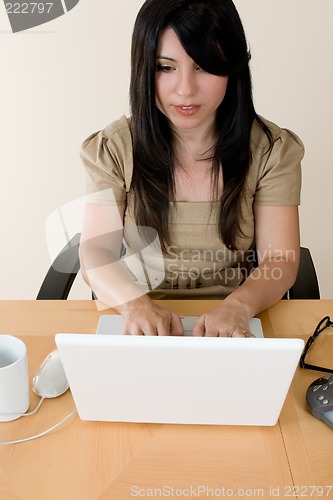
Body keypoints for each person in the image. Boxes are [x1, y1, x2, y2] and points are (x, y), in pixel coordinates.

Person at [79, 0, 303, 337]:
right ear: (144, 69)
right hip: (139, 318)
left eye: (202, 66)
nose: (185, 89)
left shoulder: (272, 150)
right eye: (166, 67)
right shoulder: (113, 147)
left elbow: (279, 259)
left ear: (232, 67)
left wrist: (238, 307)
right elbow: (96, 250)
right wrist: (136, 305)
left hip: (234, 319)